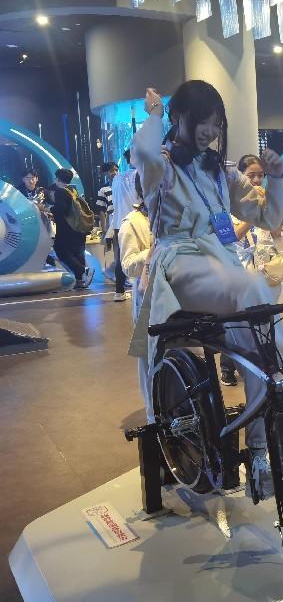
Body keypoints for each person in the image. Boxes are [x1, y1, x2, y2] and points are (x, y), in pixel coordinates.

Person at [130, 81, 283, 500]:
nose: (209, 131)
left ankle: (260, 452)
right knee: (250, 287)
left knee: (257, 329)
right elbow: (143, 150)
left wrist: (275, 178)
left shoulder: (221, 171)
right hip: (178, 263)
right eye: (200, 121)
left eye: (215, 123)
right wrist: (154, 113)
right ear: (178, 118)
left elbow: (267, 217)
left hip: (222, 265)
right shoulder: (160, 165)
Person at [220, 153, 283, 386]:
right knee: (238, 324)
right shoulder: (227, 203)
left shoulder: (264, 199)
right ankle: (227, 366)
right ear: (240, 177)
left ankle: (268, 367)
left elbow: (276, 233)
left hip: (265, 271)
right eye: (251, 176)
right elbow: (230, 237)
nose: (257, 180)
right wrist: (252, 217)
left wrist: (270, 212)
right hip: (239, 271)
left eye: (260, 175)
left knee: (268, 322)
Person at [118, 175, 154, 420]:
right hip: (148, 301)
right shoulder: (133, 222)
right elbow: (128, 266)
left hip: (182, 297)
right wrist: (155, 250)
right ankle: (154, 417)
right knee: (149, 359)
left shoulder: (174, 216)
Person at [49, 168, 93, 289]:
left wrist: (49, 210)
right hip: (78, 229)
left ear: (58, 179)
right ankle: (80, 281)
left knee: (60, 251)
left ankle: (84, 271)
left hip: (66, 230)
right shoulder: (73, 190)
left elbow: (61, 209)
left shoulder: (61, 192)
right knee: (78, 254)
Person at [110, 151, 139, 301]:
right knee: (144, 253)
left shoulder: (117, 178)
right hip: (138, 220)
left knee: (121, 258)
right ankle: (143, 290)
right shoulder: (140, 175)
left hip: (119, 223)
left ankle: (119, 292)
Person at [94, 162, 118, 280]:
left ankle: (112, 271)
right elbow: (101, 210)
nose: (114, 173)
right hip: (113, 219)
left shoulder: (124, 183)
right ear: (106, 173)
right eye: (111, 171)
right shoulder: (103, 189)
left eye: (116, 170)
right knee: (116, 247)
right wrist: (103, 227)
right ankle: (115, 272)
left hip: (126, 217)